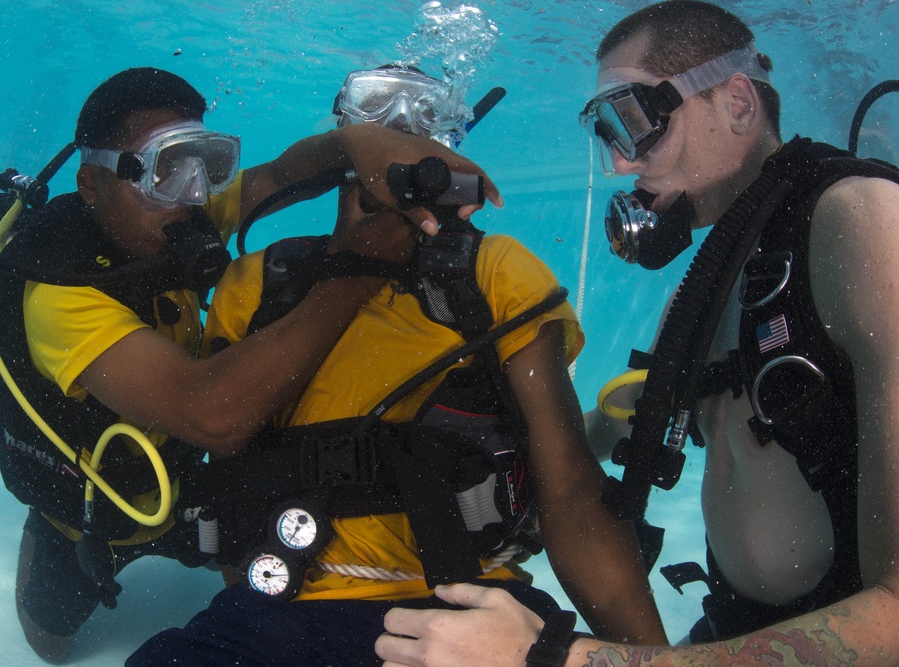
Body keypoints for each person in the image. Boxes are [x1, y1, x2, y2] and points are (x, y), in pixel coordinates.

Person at [374, 1, 899, 665]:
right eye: (606, 129)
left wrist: (560, 659)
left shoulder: (866, 223)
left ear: (736, 103)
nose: (619, 163)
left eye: (637, 120)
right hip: (730, 632)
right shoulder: (719, 272)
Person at [127, 64, 667, 666]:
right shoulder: (255, 285)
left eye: (424, 117)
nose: (402, 131)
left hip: (475, 606)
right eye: (376, 109)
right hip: (287, 605)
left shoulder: (495, 274)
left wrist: (653, 659)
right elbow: (237, 486)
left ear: (448, 141)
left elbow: (571, 495)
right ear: (346, 130)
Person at [0, 66, 502, 664]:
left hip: (184, 483)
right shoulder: (57, 294)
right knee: (48, 645)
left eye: (207, 163)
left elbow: (282, 174)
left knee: (271, 558)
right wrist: (358, 268)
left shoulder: (167, 212)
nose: (193, 193)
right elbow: (212, 416)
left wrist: (355, 144)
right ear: (93, 183)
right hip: (95, 510)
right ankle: (45, 539)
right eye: (166, 167)